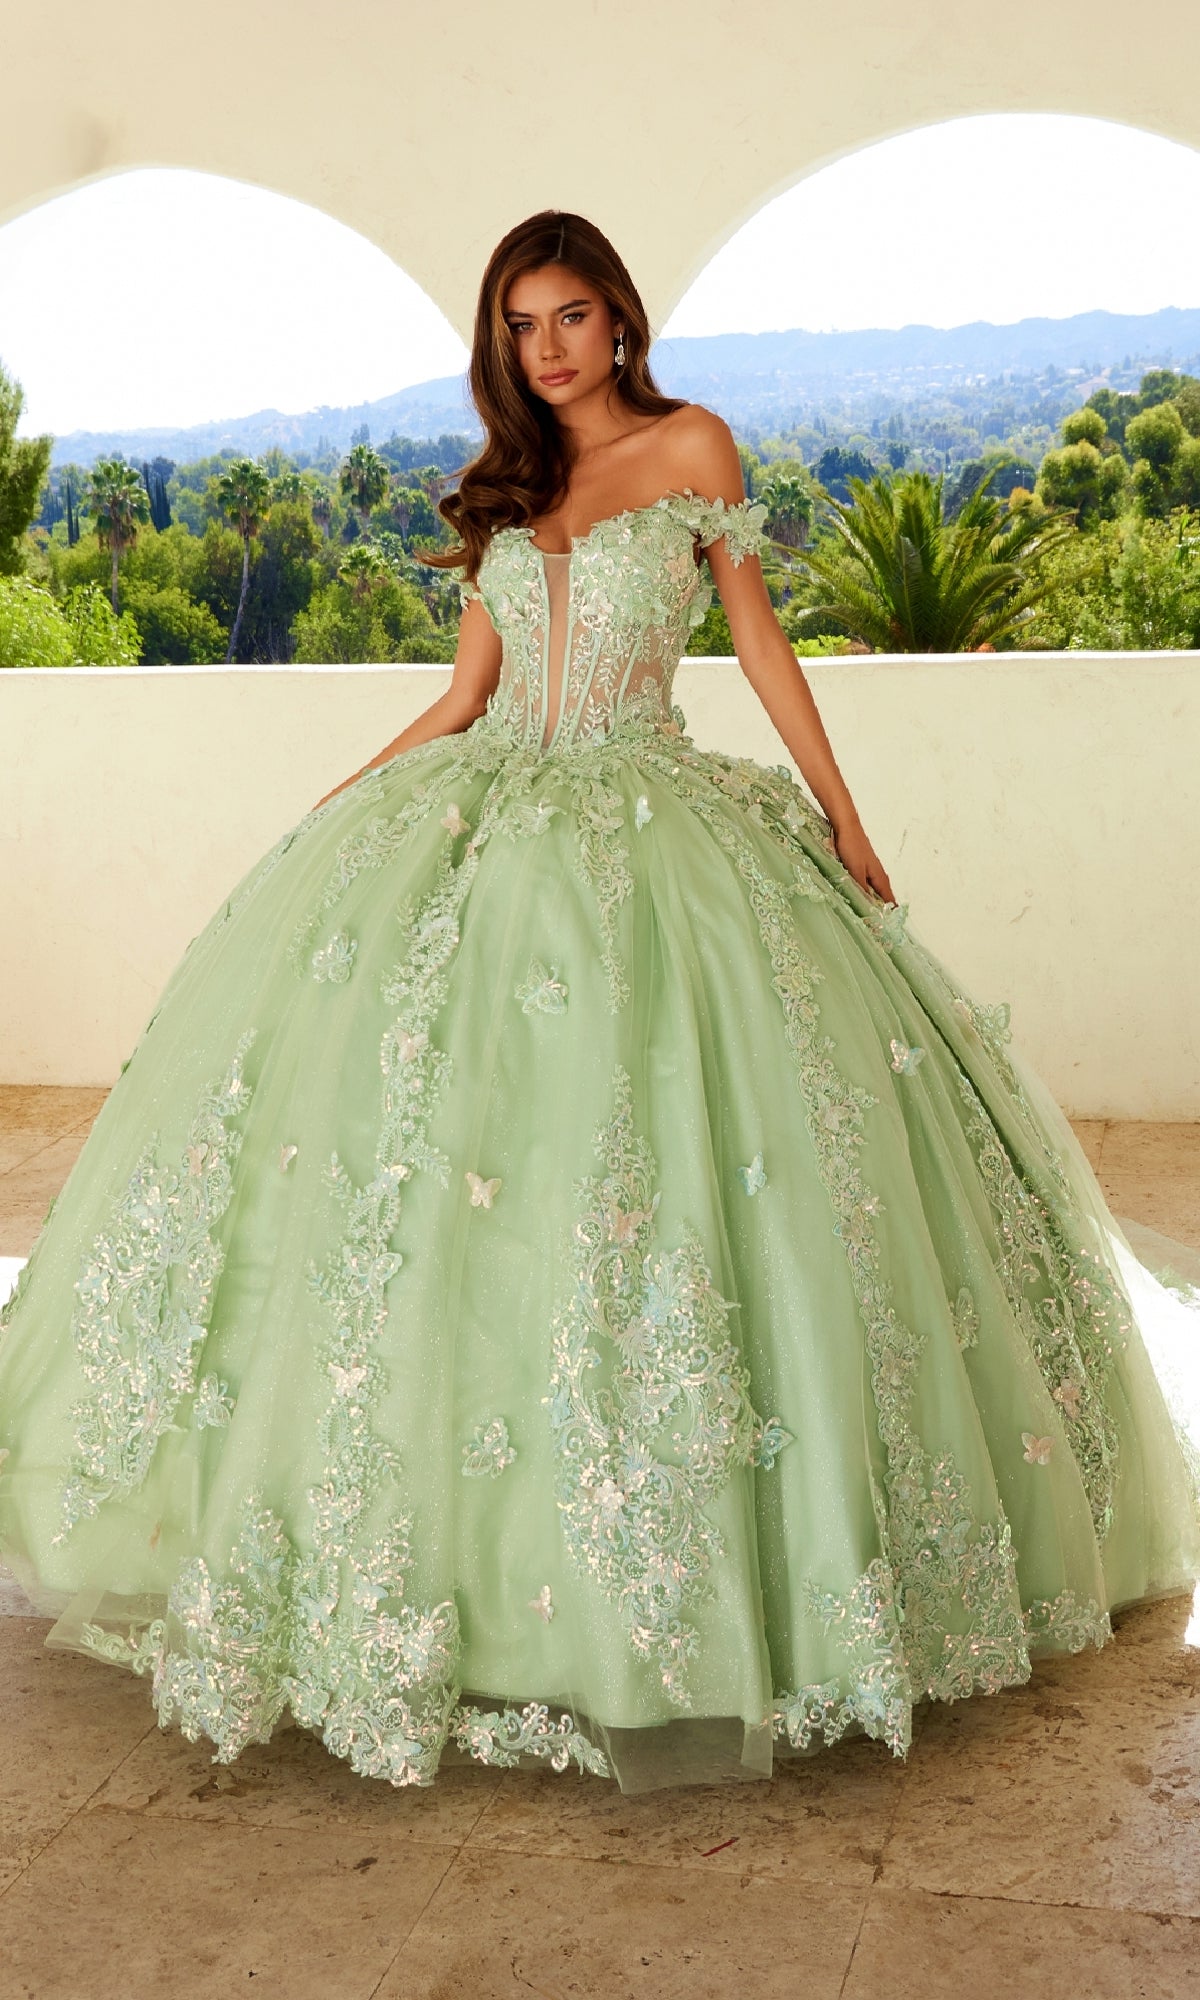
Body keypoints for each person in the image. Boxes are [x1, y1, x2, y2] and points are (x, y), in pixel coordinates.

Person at [1, 211, 1198, 1798]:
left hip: (659, 826)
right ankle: (458, 1584)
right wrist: (331, 812)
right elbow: (464, 697)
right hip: (488, 816)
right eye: (521, 325)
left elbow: (761, 644)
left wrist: (844, 813)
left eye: (571, 316)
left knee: (680, 1170)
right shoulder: (511, 489)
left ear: (619, 322)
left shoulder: (694, 445)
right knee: (439, 1180)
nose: (548, 347)